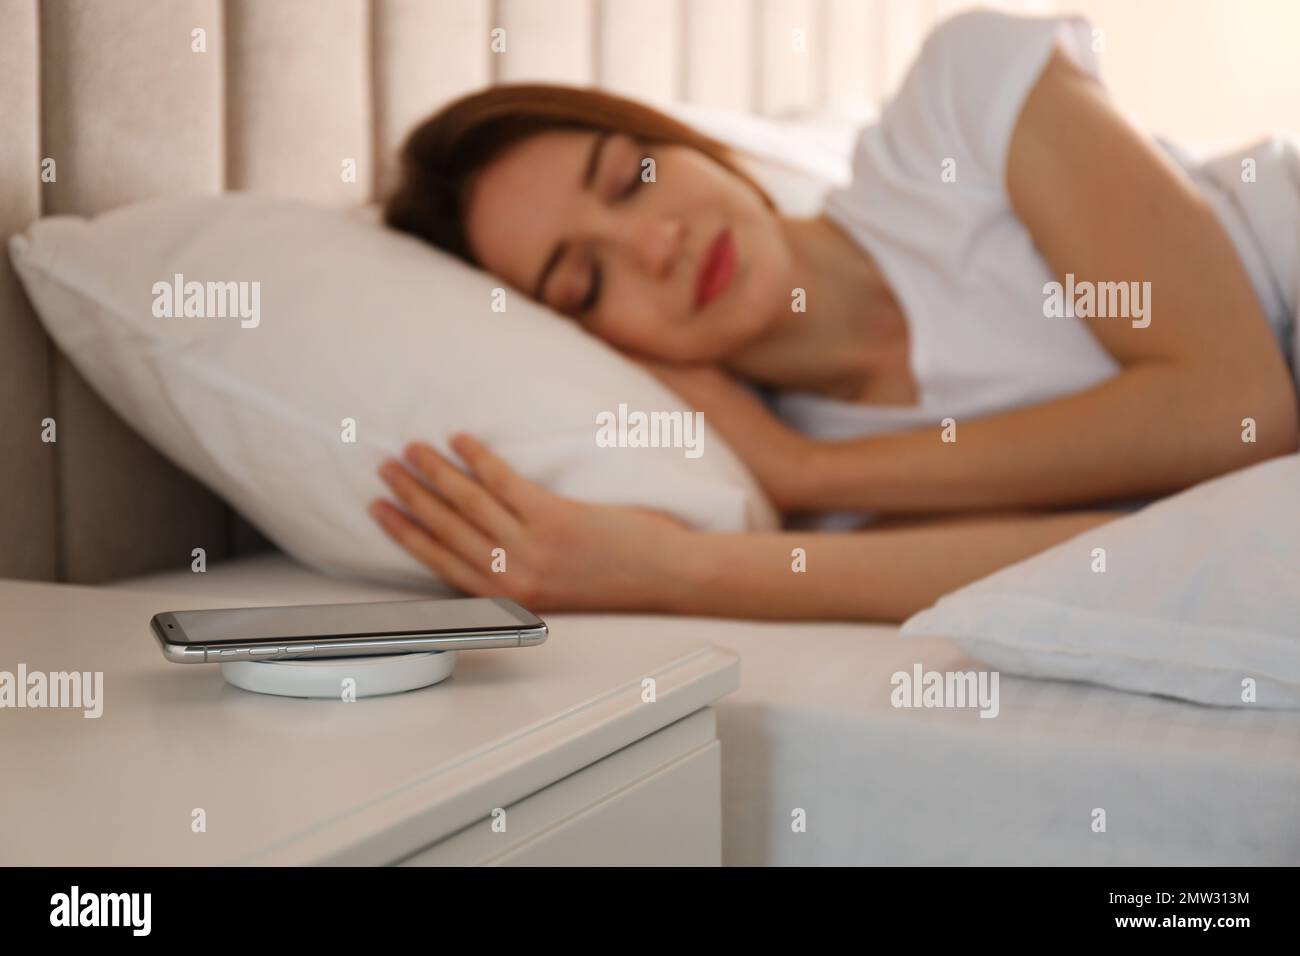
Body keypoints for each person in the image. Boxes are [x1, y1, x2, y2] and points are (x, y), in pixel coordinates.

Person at [371, 9, 1299, 621]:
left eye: (631, 178)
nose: (655, 245)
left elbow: (1240, 412)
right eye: (586, 282)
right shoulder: (837, 515)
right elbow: (1133, 564)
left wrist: (810, 469)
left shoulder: (957, 111)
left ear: (689, 146)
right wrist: (678, 566)